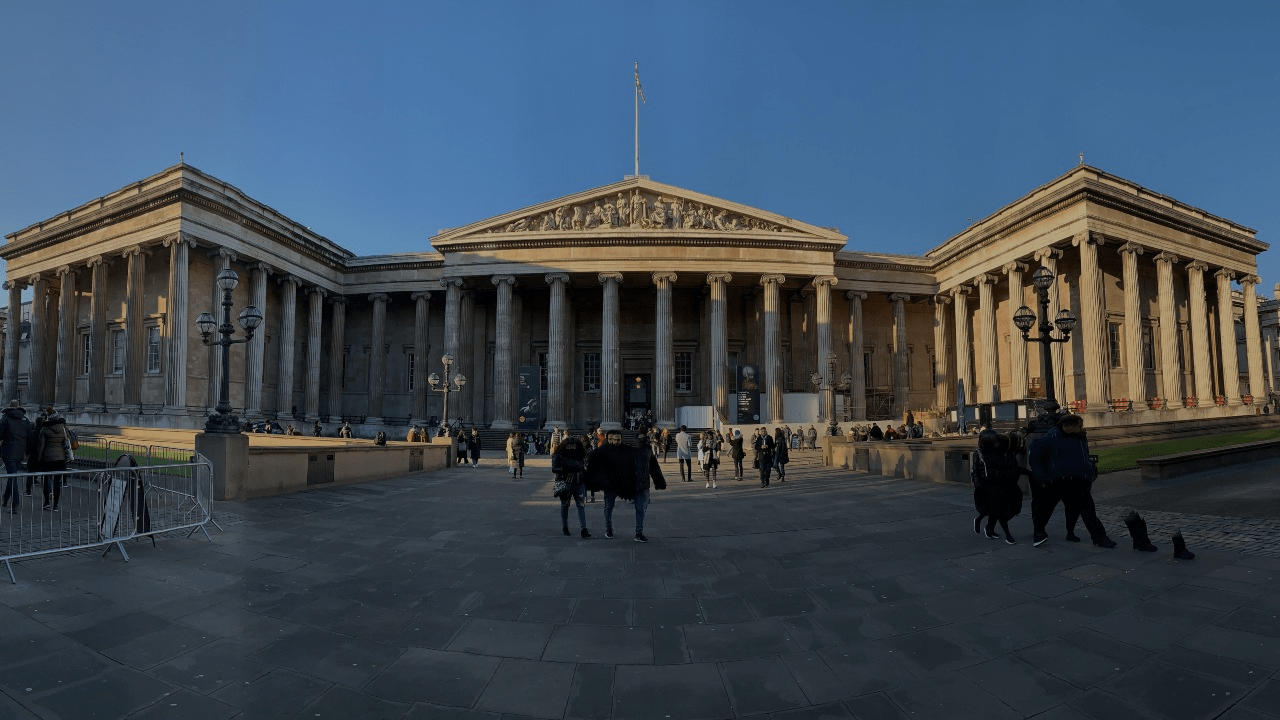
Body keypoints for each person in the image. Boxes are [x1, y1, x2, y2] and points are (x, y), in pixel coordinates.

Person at [1029, 414, 1116, 548]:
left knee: (1088, 511)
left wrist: (1090, 470)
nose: (1082, 428)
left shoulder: (1080, 437)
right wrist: (1041, 476)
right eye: (1079, 426)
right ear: (1067, 427)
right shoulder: (1052, 437)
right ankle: (1039, 532)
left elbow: (1084, 456)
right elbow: (1035, 453)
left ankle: (1099, 538)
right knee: (1045, 508)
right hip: (1057, 481)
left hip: (1078, 481)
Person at [586, 429, 666, 542]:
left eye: (618, 439)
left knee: (639, 509)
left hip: (627, 484)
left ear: (621, 439)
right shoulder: (601, 451)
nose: (615, 442)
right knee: (608, 507)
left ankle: (639, 533)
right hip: (610, 485)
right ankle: (608, 529)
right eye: (612, 439)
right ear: (608, 439)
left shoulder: (628, 450)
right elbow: (594, 467)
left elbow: (647, 463)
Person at [971, 429, 1027, 544]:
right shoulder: (979, 453)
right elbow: (975, 470)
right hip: (987, 485)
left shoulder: (999, 450)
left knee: (1001, 508)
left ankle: (987, 526)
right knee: (996, 508)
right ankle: (1007, 535)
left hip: (999, 482)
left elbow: (1010, 455)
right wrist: (978, 486)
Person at [35, 407, 71, 511]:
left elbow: (41, 445)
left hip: (47, 458)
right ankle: (55, 505)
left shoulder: (44, 429)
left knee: (46, 480)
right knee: (57, 482)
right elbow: (67, 440)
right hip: (60, 458)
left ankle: (47, 502)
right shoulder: (63, 428)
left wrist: (38, 459)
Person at [553, 435, 590, 537]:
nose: (572, 448)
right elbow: (554, 468)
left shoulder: (580, 455)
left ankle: (584, 529)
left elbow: (583, 467)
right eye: (570, 446)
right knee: (565, 505)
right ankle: (565, 526)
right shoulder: (559, 455)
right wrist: (565, 470)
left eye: (574, 446)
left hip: (579, 483)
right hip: (566, 483)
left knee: (581, 506)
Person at [1, 400, 32, 513]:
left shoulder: (5, 418)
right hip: (20, 453)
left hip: (8, 452)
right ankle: (5, 498)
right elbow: (30, 437)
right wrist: (28, 452)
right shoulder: (25, 420)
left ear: (10, 407)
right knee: (12, 476)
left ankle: (15, 504)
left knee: (12, 477)